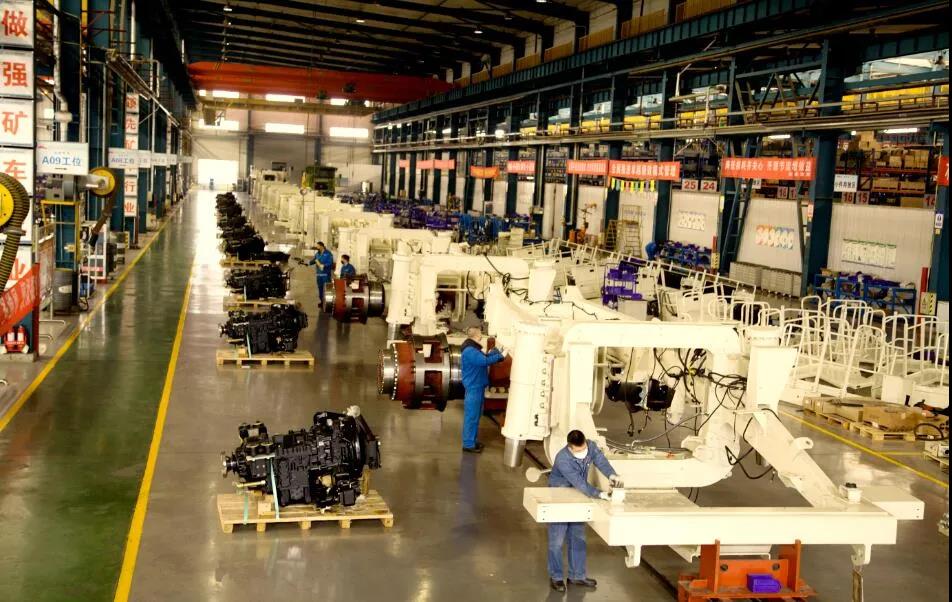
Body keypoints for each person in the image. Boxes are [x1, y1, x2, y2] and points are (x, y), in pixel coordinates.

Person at [547, 430, 623, 592]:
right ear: (570, 447)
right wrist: (600, 494)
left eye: (584, 448)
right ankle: (556, 577)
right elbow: (579, 482)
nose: (583, 452)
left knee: (578, 537)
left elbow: (601, 460)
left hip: (578, 496)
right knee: (557, 541)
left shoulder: (590, 446)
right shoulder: (562, 459)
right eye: (579, 450)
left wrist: (612, 475)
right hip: (559, 496)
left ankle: (577, 576)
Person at [459, 326, 505, 453]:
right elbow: (484, 361)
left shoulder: (473, 348)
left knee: (475, 417)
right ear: (477, 335)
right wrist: (500, 356)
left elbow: (484, 357)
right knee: (472, 417)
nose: (481, 335)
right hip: (473, 389)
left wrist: (495, 352)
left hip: (477, 388)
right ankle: (468, 444)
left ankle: (472, 441)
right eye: (480, 333)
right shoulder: (470, 350)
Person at [308, 241, 334, 308]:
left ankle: (328, 303)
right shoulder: (317, 253)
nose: (317, 247)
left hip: (325, 274)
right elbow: (314, 260)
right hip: (319, 274)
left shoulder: (328, 254)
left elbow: (330, 263)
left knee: (327, 289)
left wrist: (323, 266)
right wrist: (307, 263)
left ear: (322, 246)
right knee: (320, 288)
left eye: (318, 246)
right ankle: (322, 302)